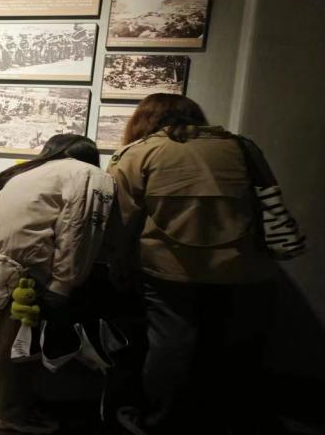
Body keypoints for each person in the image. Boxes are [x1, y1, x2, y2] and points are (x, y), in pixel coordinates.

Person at [105, 94, 282, 435]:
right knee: (227, 345)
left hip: (170, 267)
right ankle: (219, 419)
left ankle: (160, 420)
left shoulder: (138, 153)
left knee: (171, 344)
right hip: (243, 266)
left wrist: (117, 265)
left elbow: (120, 222)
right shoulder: (240, 147)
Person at [0, 134, 115, 434]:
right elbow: (79, 231)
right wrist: (64, 283)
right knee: (14, 341)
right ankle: (9, 412)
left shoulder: (25, 170)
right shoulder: (88, 174)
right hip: (14, 260)